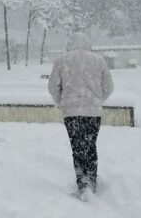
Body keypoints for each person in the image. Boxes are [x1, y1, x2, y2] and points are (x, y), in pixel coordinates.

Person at [48, 32, 114, 196]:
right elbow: (109, 86)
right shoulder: (98, 60)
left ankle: (82, 185)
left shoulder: (62, 60)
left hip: (71, 114)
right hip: (93, 113)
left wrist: (63, 101)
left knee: (77, 148)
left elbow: (52, 87)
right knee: (90, 147)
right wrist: (97, 99)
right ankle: (91, 182)